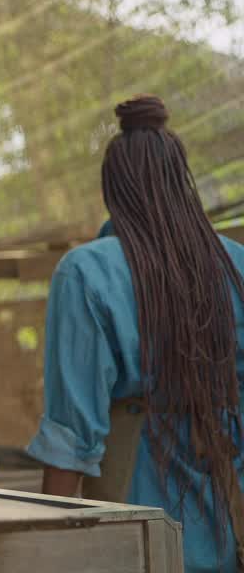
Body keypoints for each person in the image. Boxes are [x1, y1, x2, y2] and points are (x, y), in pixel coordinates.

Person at [28, 96, 244, 573]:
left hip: (131, 534)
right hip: (225, 525)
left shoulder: (86, 273)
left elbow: (71, 433)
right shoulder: (233, 264)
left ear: (113, 188)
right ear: (180, 180)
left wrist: (44, 549)